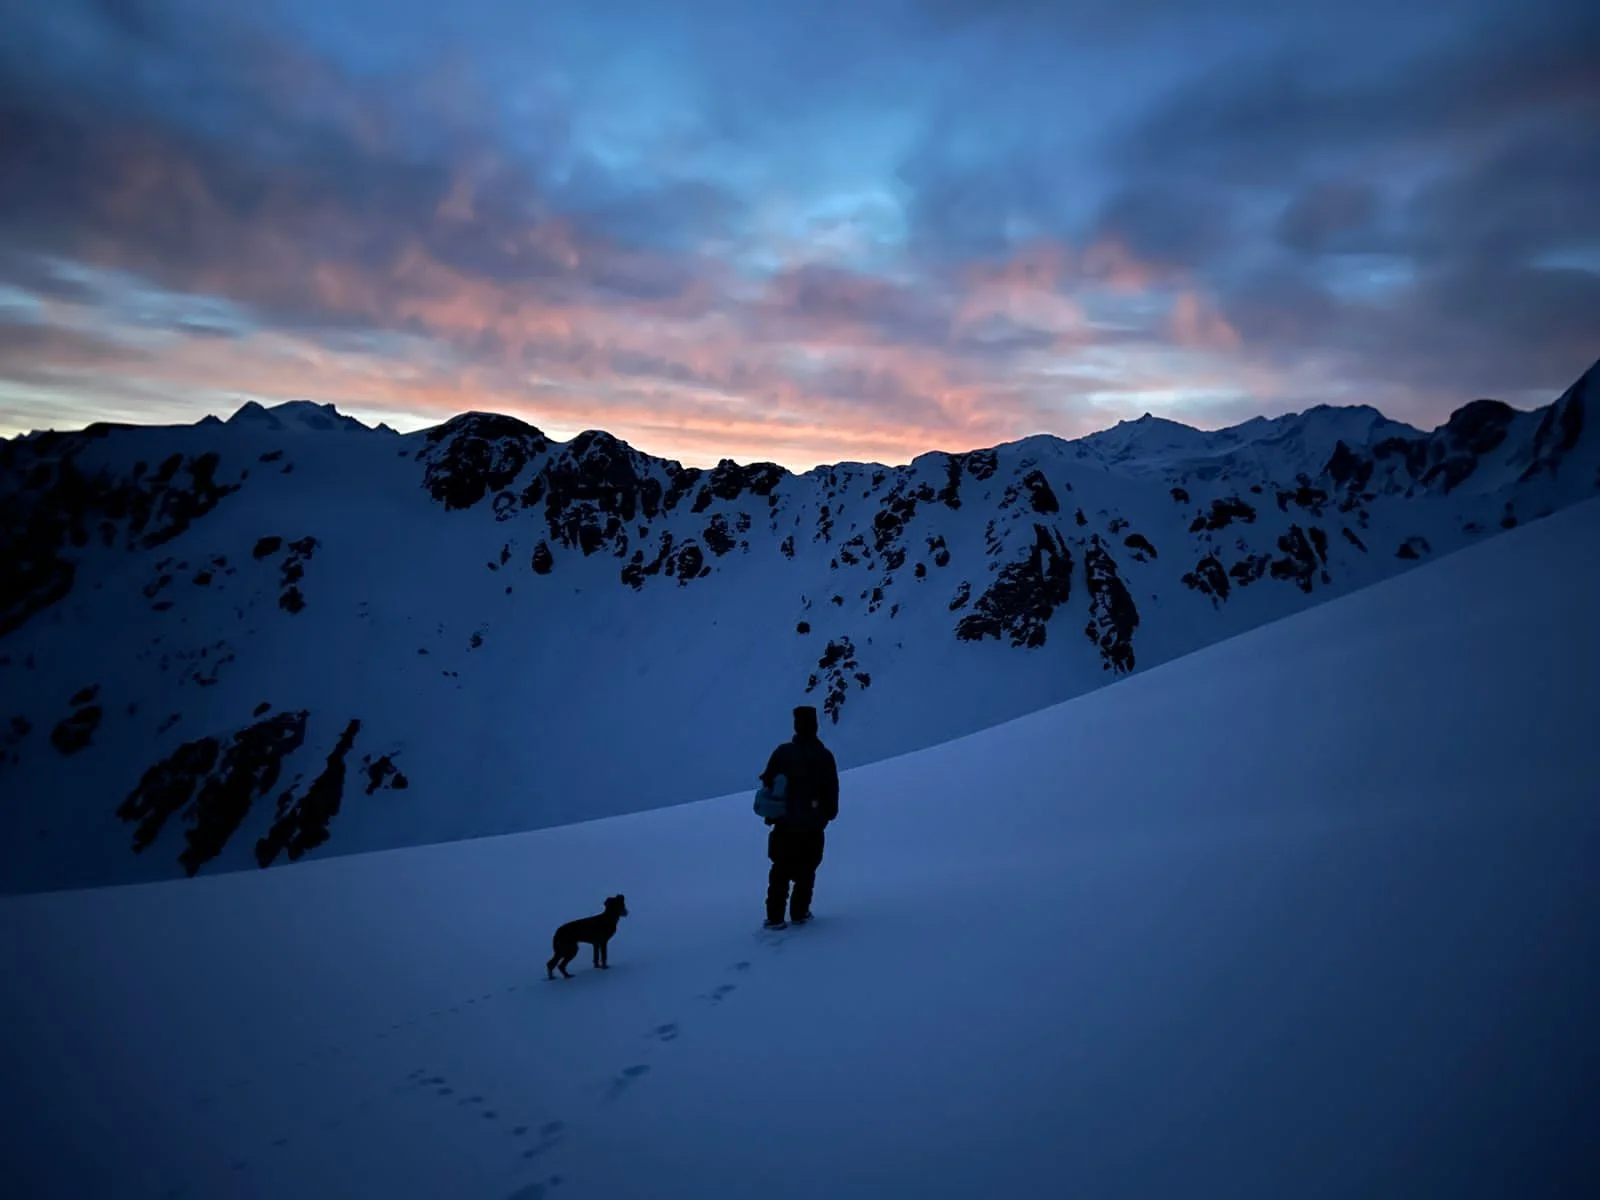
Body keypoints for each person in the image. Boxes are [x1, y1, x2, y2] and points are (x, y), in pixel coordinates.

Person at [759, 704, 839, 929]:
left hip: (784, 827)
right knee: (806, 873)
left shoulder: (782, 753)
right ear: (815, 726)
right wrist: (823, 816)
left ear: (796, 725)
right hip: (812, 829)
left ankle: (774, 919)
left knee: (779, 873)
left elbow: (767, 782)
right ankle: (800, 914)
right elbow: (832, 801)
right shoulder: (824, 757)